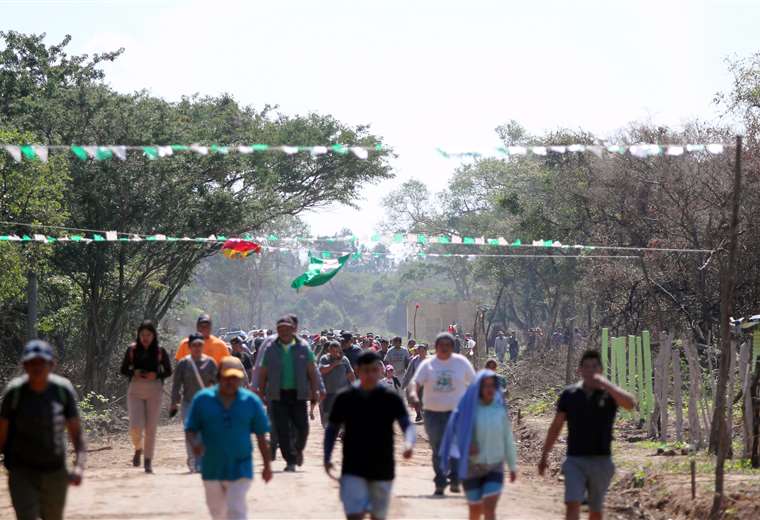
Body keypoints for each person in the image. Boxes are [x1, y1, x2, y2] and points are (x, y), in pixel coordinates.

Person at [538, 350, 636, 520]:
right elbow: (556, 426)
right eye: (587, 367)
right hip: (575, 460)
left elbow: (630, 404)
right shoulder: (570, 395)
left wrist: (607, 385)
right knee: (572, 504)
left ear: (601, 370)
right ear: (580, 371)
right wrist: (544, 454)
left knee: (595, 510)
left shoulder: (610, 395)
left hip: (602, 461)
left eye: (595, 366)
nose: (591, 371)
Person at [0, 340, 86, 520]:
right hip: (21, 472)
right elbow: (2, 436)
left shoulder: (62, 391)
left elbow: (77, 435)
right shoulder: (14, 394)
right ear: (25, 365)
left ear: (51, 365)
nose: (37, 367)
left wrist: (78, 467)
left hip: (55, 472)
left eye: (42, 362)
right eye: (32, 363)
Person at [324, 351, 416, 520]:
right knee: (354, 515)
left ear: (380, 371)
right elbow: (332, 429)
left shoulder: (390, 398)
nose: (371, 375)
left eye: (375, 370)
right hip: (353, 465)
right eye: (366, 370)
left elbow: (406, 425)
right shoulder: (345, 398)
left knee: (377, 516)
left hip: (382, 466)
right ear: (358, 371)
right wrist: (327, 456)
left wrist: (409, 443)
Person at [185, 356, 272, 520]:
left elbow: (261, 436)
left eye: (235, 378)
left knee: (236, 510)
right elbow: (190, 428)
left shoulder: (251, 401)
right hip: (211, 466)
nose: (231, 382)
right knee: (217, 512)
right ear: (218, 377)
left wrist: (267, 465)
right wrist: (195, 444)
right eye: (227, 378)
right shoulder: (202, 400)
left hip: (241, 466)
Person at [439, 370, 518, 520]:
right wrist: (465, 446)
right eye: (485, 386)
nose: (489, 389)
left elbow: (507, 438)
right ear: (478, 388)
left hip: (494, 466)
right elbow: (454, 435)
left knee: (489, 509)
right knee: (475, 511)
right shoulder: (467, 409)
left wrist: (513, 466)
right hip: (471, 468)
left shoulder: (499, 410)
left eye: (492, 386)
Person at [409, 332, 476, 496]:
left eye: (448, 345)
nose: (444, 348)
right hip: (432, 413)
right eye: (441, 345)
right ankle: (440, 480)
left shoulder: (461, 363)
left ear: (453, 347)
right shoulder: (428, 364)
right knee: (437, 447)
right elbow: (415, 382)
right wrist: (413, 394)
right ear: (436, 346)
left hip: (457, 413)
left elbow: (475, 383)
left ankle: (454, 477)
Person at [258, 315, 320, 472]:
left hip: (298, 394)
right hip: (278, 395)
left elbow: (312, 371)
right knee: (282, 429)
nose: (284, 331)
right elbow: (263, 372)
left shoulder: (303, 347)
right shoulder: (270, 349)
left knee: (303, 428)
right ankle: (290, 460)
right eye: (281, 329)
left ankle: (298, 449)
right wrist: (260, 392)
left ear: (294, 329)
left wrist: (315, 391)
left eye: (287, 328)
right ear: (277, 330)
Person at [120, 320, 173, 473]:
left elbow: (168, 371)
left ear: (153, 335)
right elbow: (123, 369)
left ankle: (148, 460)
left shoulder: (160, 351)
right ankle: (138, 448)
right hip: (135, 389)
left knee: (151, 428)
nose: (145, 338)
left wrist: (156, 374)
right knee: (135, 426)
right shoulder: (132, 350)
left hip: (154, 389)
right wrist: (133, 372)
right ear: (139, 335)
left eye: (148, 335)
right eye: (142, 335)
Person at [170, 332, 218, 473]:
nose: (197, 347)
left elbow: (217, 384)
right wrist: (174, 402)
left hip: (206, 404)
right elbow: (176, 385)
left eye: (200, 345)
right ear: (189, 347)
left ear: (203, 346)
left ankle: (201, 461)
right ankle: (192, 460)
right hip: (188, 403)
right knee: (190, 433)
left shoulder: (210, 363)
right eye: (194, 345)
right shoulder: (183, 364)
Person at [318, 340, 355, 427]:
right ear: (329, 350)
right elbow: (321, 370)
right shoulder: (324, 358)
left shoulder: (344, 359)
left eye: (338, 351)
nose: (336, 353)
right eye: (333, 351)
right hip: (328, 392)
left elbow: (350, 374)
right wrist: (333, 364)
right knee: (327, 415)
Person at [402, 343, 428, 423]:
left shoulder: (429, 360)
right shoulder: (414, 360)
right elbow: (409, 372)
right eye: (419, 351)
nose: (421, 352)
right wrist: (405, 382)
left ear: (426, 351)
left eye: (423, 351)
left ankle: (424, 414)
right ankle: (418, 414)